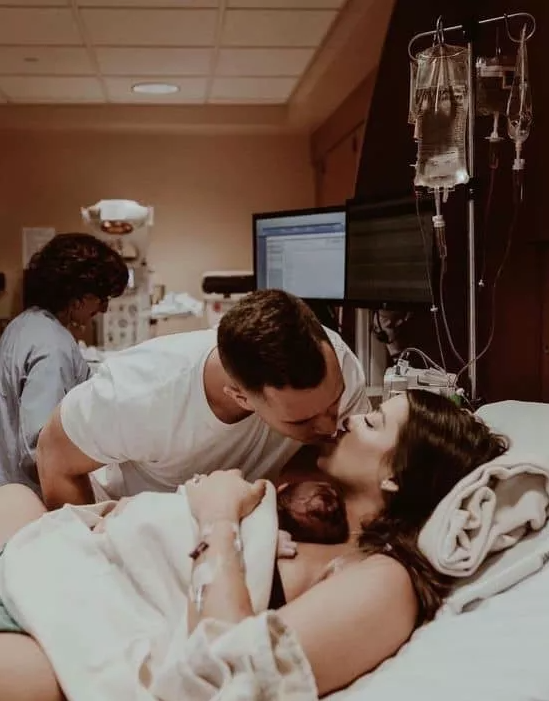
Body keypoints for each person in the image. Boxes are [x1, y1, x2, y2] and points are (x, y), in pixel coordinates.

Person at [0, 390, 508, 700]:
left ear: (397, 477)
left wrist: (217, 516)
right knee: (14, 497)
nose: (351, 419)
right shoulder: (318, 516)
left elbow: (226, 671)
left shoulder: (385, 581)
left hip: (68, 625)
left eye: (373, 423)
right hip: (64, 566)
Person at [36, 289, 370, 510]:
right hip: (136, 517)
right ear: (240, 396)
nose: (330, 425)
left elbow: (344, 462)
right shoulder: (142, 392)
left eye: (334, 403)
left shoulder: (337, 362)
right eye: (302, 420)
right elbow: (54, 453)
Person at [0, 233, 128, 495]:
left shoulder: (23, 325)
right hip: (30, 497)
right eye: (101, 298)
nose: (103, 310)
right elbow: (41, 449)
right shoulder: (52, 347)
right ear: (77, 294)